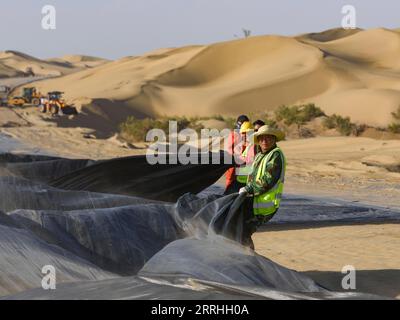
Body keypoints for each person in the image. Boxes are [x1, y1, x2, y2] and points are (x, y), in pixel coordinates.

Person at [238, 125, 286, 249]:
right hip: (255, 202)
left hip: (266, 206)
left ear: (274, 139)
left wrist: (248, 189)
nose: (264, 141)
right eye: (262, 138)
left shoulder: (275, 155)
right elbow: (250, 175)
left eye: (268, 138)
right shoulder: (260, 155)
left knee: (244, 231)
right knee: (240, 229)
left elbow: (267, 179)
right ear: (258, 141)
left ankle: (249, 258)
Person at [224, 115, 250, 194]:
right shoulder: (233, 134)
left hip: (244, 165)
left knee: (243, 183)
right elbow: (228, 149)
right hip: (233, 164)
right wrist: (236, 159)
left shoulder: (247, 135)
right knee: (230, 183)